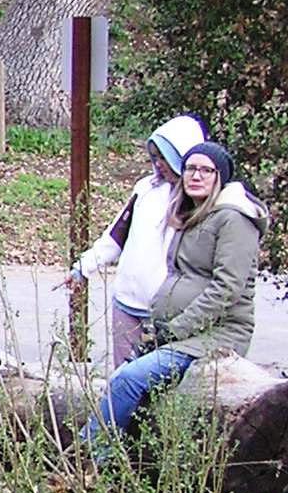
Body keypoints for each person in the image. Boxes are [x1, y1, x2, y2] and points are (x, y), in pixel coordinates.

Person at [80, 141, 269, 450]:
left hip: (216, 336)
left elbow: (227, 289)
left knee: (128, 380)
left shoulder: (233, 220)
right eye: (190, 169)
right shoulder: (194, 214)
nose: (196, 176)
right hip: (180, 334)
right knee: (129, 383)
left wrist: (175, 329)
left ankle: (85, 458)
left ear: (219, 177)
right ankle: (119, 462)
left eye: (206, 170)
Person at [61, 113, 206, 367]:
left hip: (166, 313)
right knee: (123, 378)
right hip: (127, 303)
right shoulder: (145, 189)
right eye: (156, 157)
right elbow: (116, 236)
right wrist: (82, 268)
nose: (159, 164)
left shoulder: (197, 203)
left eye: (165, 157)